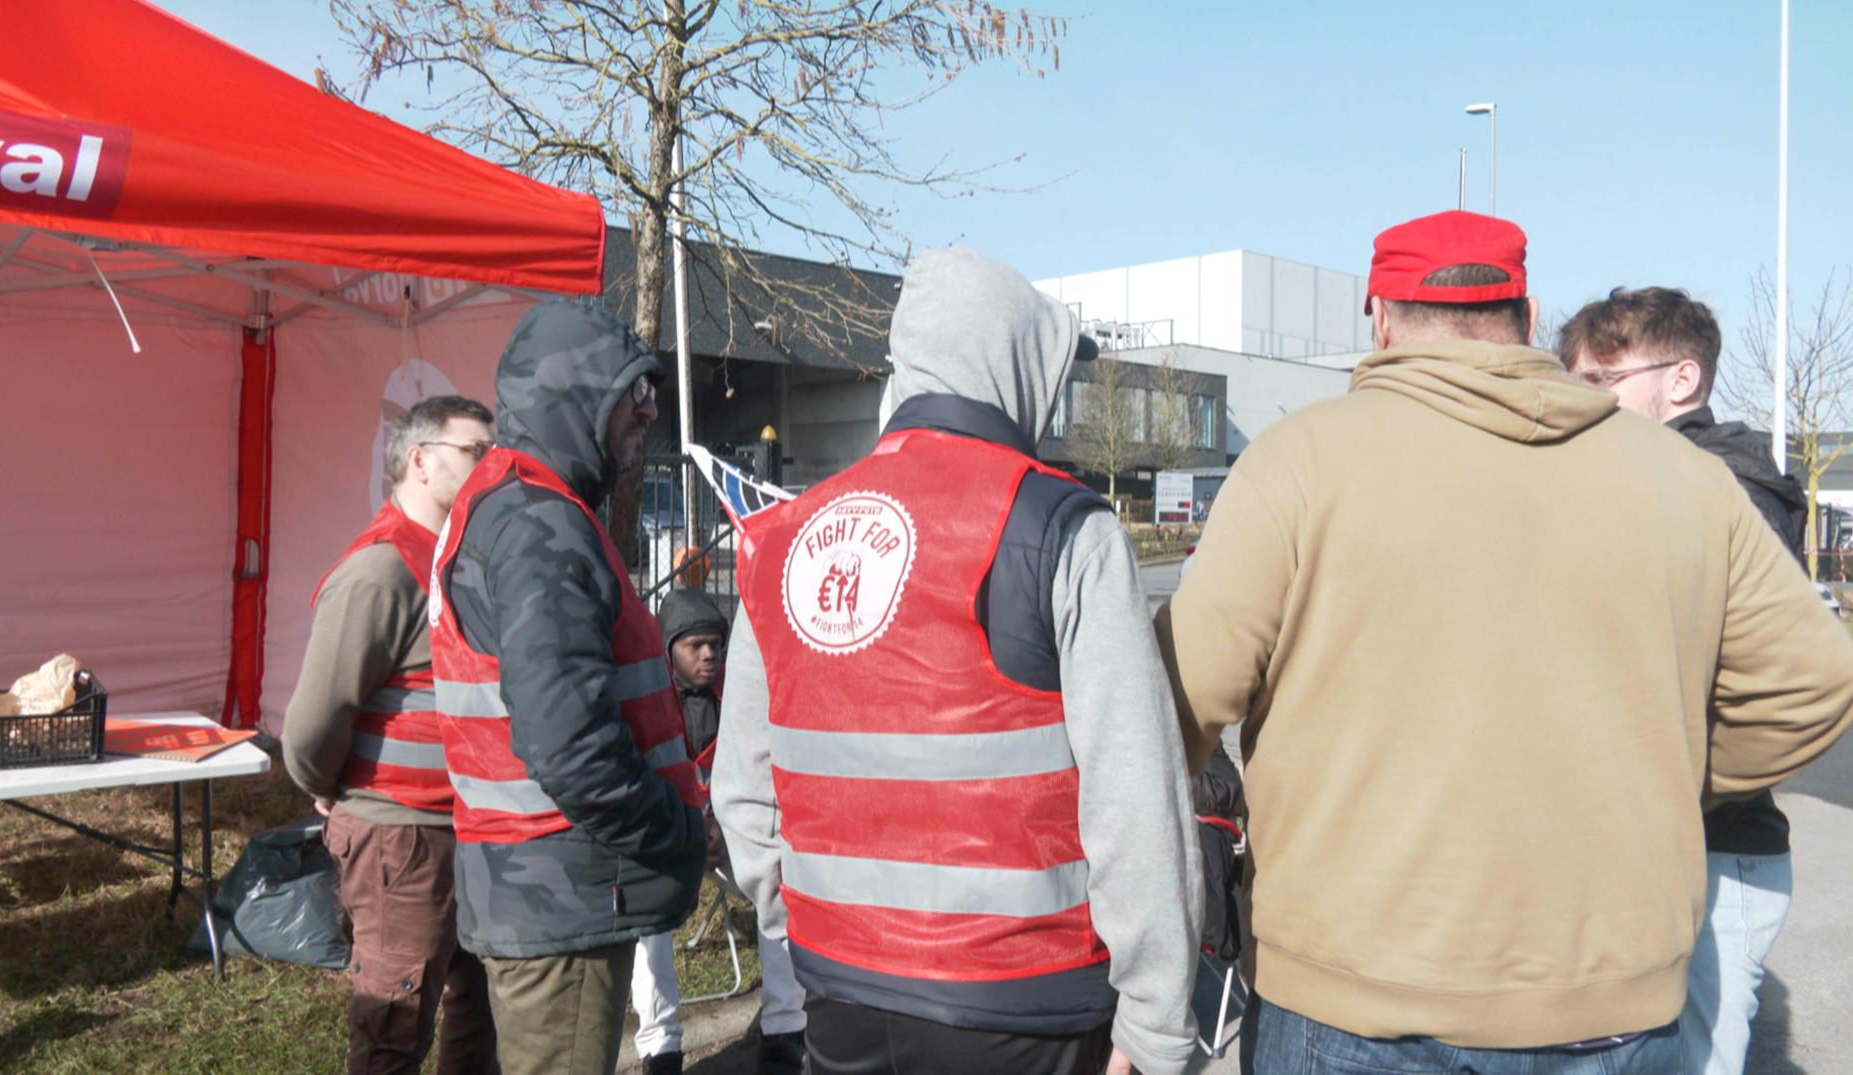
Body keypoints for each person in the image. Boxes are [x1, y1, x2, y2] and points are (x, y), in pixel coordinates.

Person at [1154, 209, 1853, 1074]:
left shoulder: (1299, 460)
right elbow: (1814, 680)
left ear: (1377, 316)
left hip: (1354, 993)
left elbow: (1170, 703)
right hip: (1614, 1003)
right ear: (1525, 320)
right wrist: (1676, 771)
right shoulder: (1684, 478)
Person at [714, 246, 1204, 1075]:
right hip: (1029, 1003)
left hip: (841, 992)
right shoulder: (1064, 531)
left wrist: (801, 922)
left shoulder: (784, 540)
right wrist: (1156, 1025)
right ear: (1022, 365)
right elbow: (1136, 801)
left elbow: (742, 789)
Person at [427, 299, 709, 1075]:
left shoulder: (511, 503)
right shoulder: (539, 525)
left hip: (539, 888)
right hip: (564, 899)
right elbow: (569, 741)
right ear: (573, 391)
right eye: (632, 390)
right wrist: (676, 828)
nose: (648, 409)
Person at [1558, 287, 1808, 1075]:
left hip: (1717, 849)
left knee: (1698, 1061)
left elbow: (1780, 672)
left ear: (1681, 379)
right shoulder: (1640, 477)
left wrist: (1694, 780)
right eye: (1576, 380)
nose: (1584, 398)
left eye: (1604, 379)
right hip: (1666, 842)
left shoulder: (1725, 487)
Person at [282, 394, 499, 1075]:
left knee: (480, 1013)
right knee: (393, 1031)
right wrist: (329, 785)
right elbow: (311, 726)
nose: (491, 467)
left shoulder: (457, 559)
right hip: (403, 838)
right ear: (420, 460)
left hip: (473, 831)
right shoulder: (380, 570)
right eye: (476, 452)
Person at [629, 589, 808, 1075]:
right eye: (695, 646)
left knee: (780, 884)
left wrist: (724, 830)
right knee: (652, 919)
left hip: (730, 839)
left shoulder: (738, 695)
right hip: (674, 838)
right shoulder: (652, 703)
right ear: (669, 651)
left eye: (716, 645)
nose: (710, 655)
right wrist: (690, 826)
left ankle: (784, 1031)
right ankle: (659, 1047)